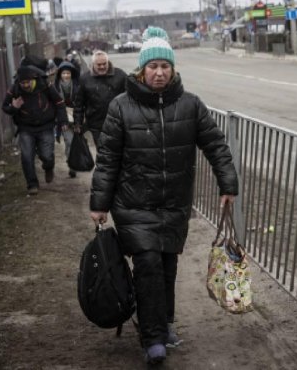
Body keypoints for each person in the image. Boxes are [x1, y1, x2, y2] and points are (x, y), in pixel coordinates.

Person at [89, 27, 238, 364]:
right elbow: (108, 159)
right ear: (141, 70)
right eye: (152, 66)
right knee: (148, 265)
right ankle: (153, 338)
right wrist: (98, 205)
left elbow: (215, 144)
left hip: (174, 204)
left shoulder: (191, 105)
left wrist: (227, 184)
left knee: (167, 266)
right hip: (133, 204)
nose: (159, 72)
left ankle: (164, 324)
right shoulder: (120, 108)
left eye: (164, 67)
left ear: (173, 70)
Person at [1, 55, 68, 195]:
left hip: (46, 126)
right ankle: (32, 184)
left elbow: (59, 103)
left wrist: (62, 121)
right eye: (22, 83)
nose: (25, 85)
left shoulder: (45, 85)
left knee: (47, 156)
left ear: (34, 79)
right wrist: (13, 107)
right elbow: (4, 107)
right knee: (26, 156)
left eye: (28, 82)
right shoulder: (15, 89)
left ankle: (48, 167)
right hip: (26, 128)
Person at [73, 50, 127, 147]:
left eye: (104, 64)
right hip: (96, 124)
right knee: (103, 151)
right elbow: (79, 103)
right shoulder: (85, 79)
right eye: (99, 65)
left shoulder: (120, 75)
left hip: (118, 122)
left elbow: (130, 97)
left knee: (119, 149)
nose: (102, 67)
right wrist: (78, 123)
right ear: (93, 64)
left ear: (108, 62)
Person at [53, 61, 81, 178]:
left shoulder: (78, 85)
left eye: (68, 73)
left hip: (77, 118)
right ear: (60, 74)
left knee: (76, 143)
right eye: (63, 73)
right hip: (63, 119)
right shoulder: (54, 87)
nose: (66, 75)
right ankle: (72, 165)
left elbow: (82, 103)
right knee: (69, 141)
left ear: (71, 74)